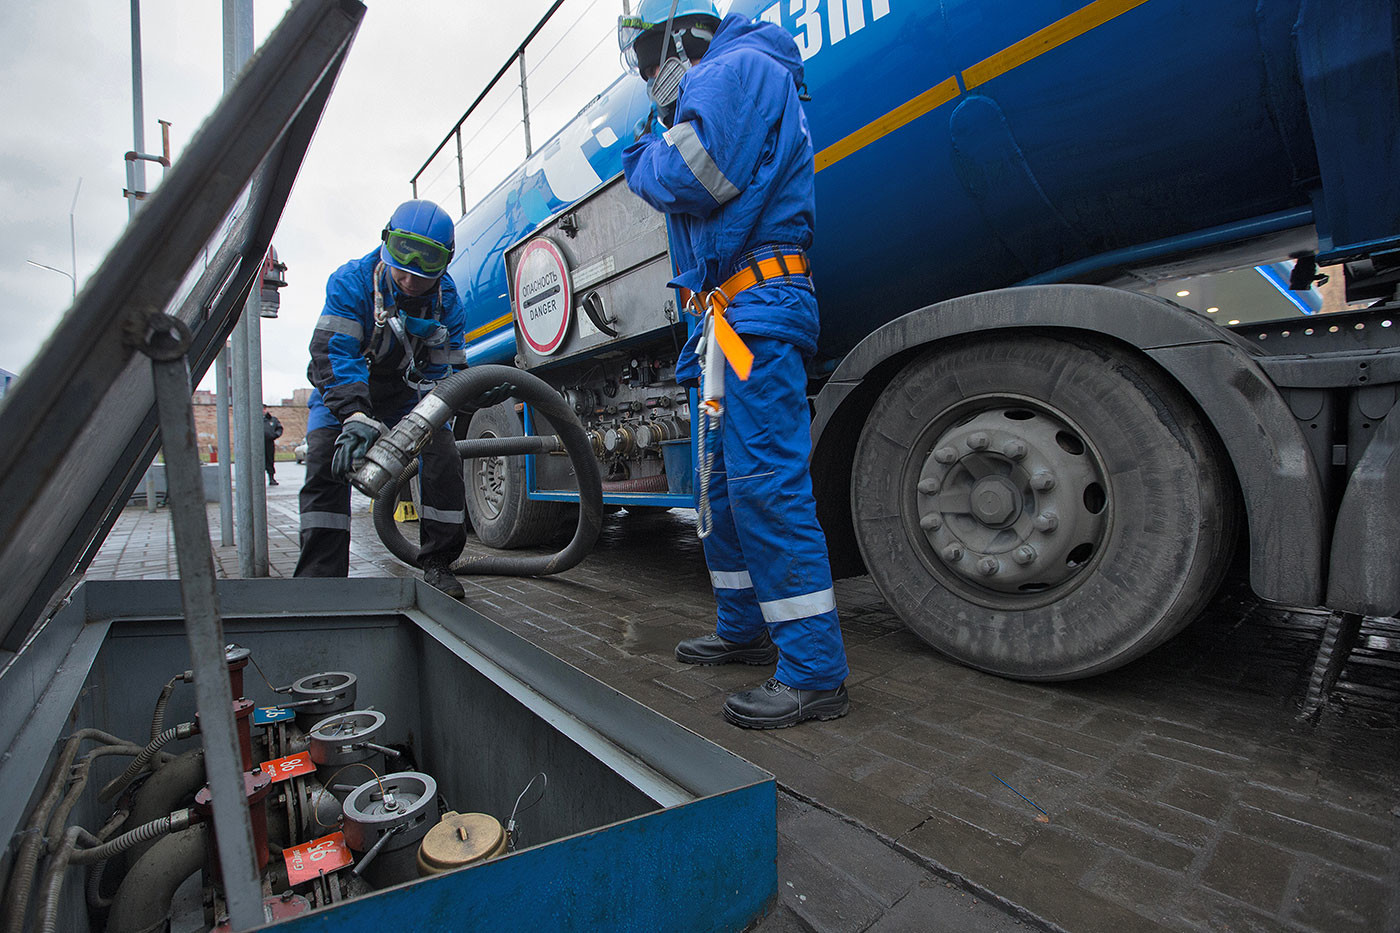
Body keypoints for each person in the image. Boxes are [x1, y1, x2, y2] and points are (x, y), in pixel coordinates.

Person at [619, 1, 850, 728]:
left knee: (766, 487)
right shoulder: (724, 77)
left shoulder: (731, 67)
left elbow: (699, 173)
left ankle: (815, 673)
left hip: (753, 310)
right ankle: (744, 627)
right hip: (727, 317)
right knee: (722, 490)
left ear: (676, 38)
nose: (650, 76)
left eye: (648, 60)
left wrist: (642, 157)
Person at [294, 199, 469, 598]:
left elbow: (447, 371)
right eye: (402, 269)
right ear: (387, 244)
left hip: (407, 392)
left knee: (442, 455)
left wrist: (448, 404)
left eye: (423, 274)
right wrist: (354, 415)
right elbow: (334, 354)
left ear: (444, 263)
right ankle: (320, 583)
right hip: (343, 388)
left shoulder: (447, 302)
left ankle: (439, 562)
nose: (410, 282)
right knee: (324, 458)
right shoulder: (351, 282)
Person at [263, 406, 283, 485]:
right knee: (257, 461)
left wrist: (275, 435)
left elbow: (279, 428)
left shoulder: (272, 419)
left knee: (270, 460)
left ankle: (271, 478)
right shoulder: (254, 419)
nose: (263, 410)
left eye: (264, 408)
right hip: (257, 444)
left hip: (269, 443)